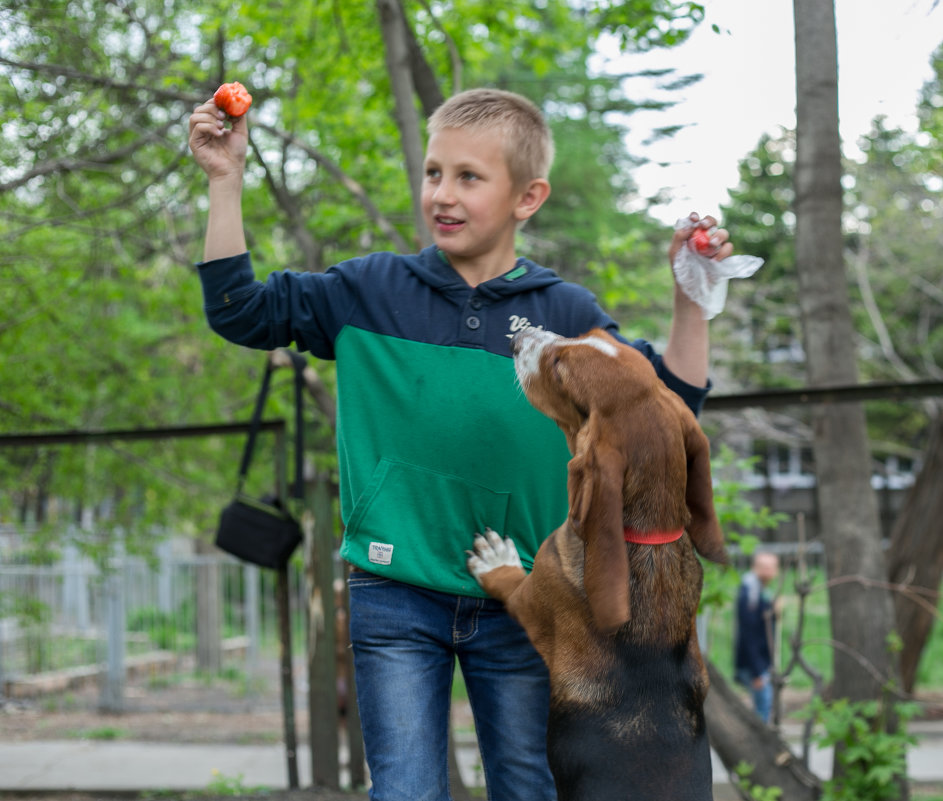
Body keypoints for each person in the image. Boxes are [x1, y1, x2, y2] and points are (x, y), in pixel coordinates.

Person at [188, 86, 735, 801]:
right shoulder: (365, 290)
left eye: (469, 177)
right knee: (406, 792)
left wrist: (690, 296)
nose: (442, 194)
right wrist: (225, 180)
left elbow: (670, 404)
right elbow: (240, 312)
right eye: (433, 173)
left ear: (527, 197)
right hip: (393, 591)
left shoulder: (564, 313)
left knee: (526, 789)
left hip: (524, 602)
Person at [735, 550, 781, 724]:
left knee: (764, 706)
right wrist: (756, 672)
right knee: (763, 709)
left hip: (761, 662)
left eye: (772, 567)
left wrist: (774, 611)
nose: (770, 571)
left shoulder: (761, 590)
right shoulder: (750, 593)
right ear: (756, 568)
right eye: (765, 567)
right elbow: (749, 634)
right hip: (755, 664)